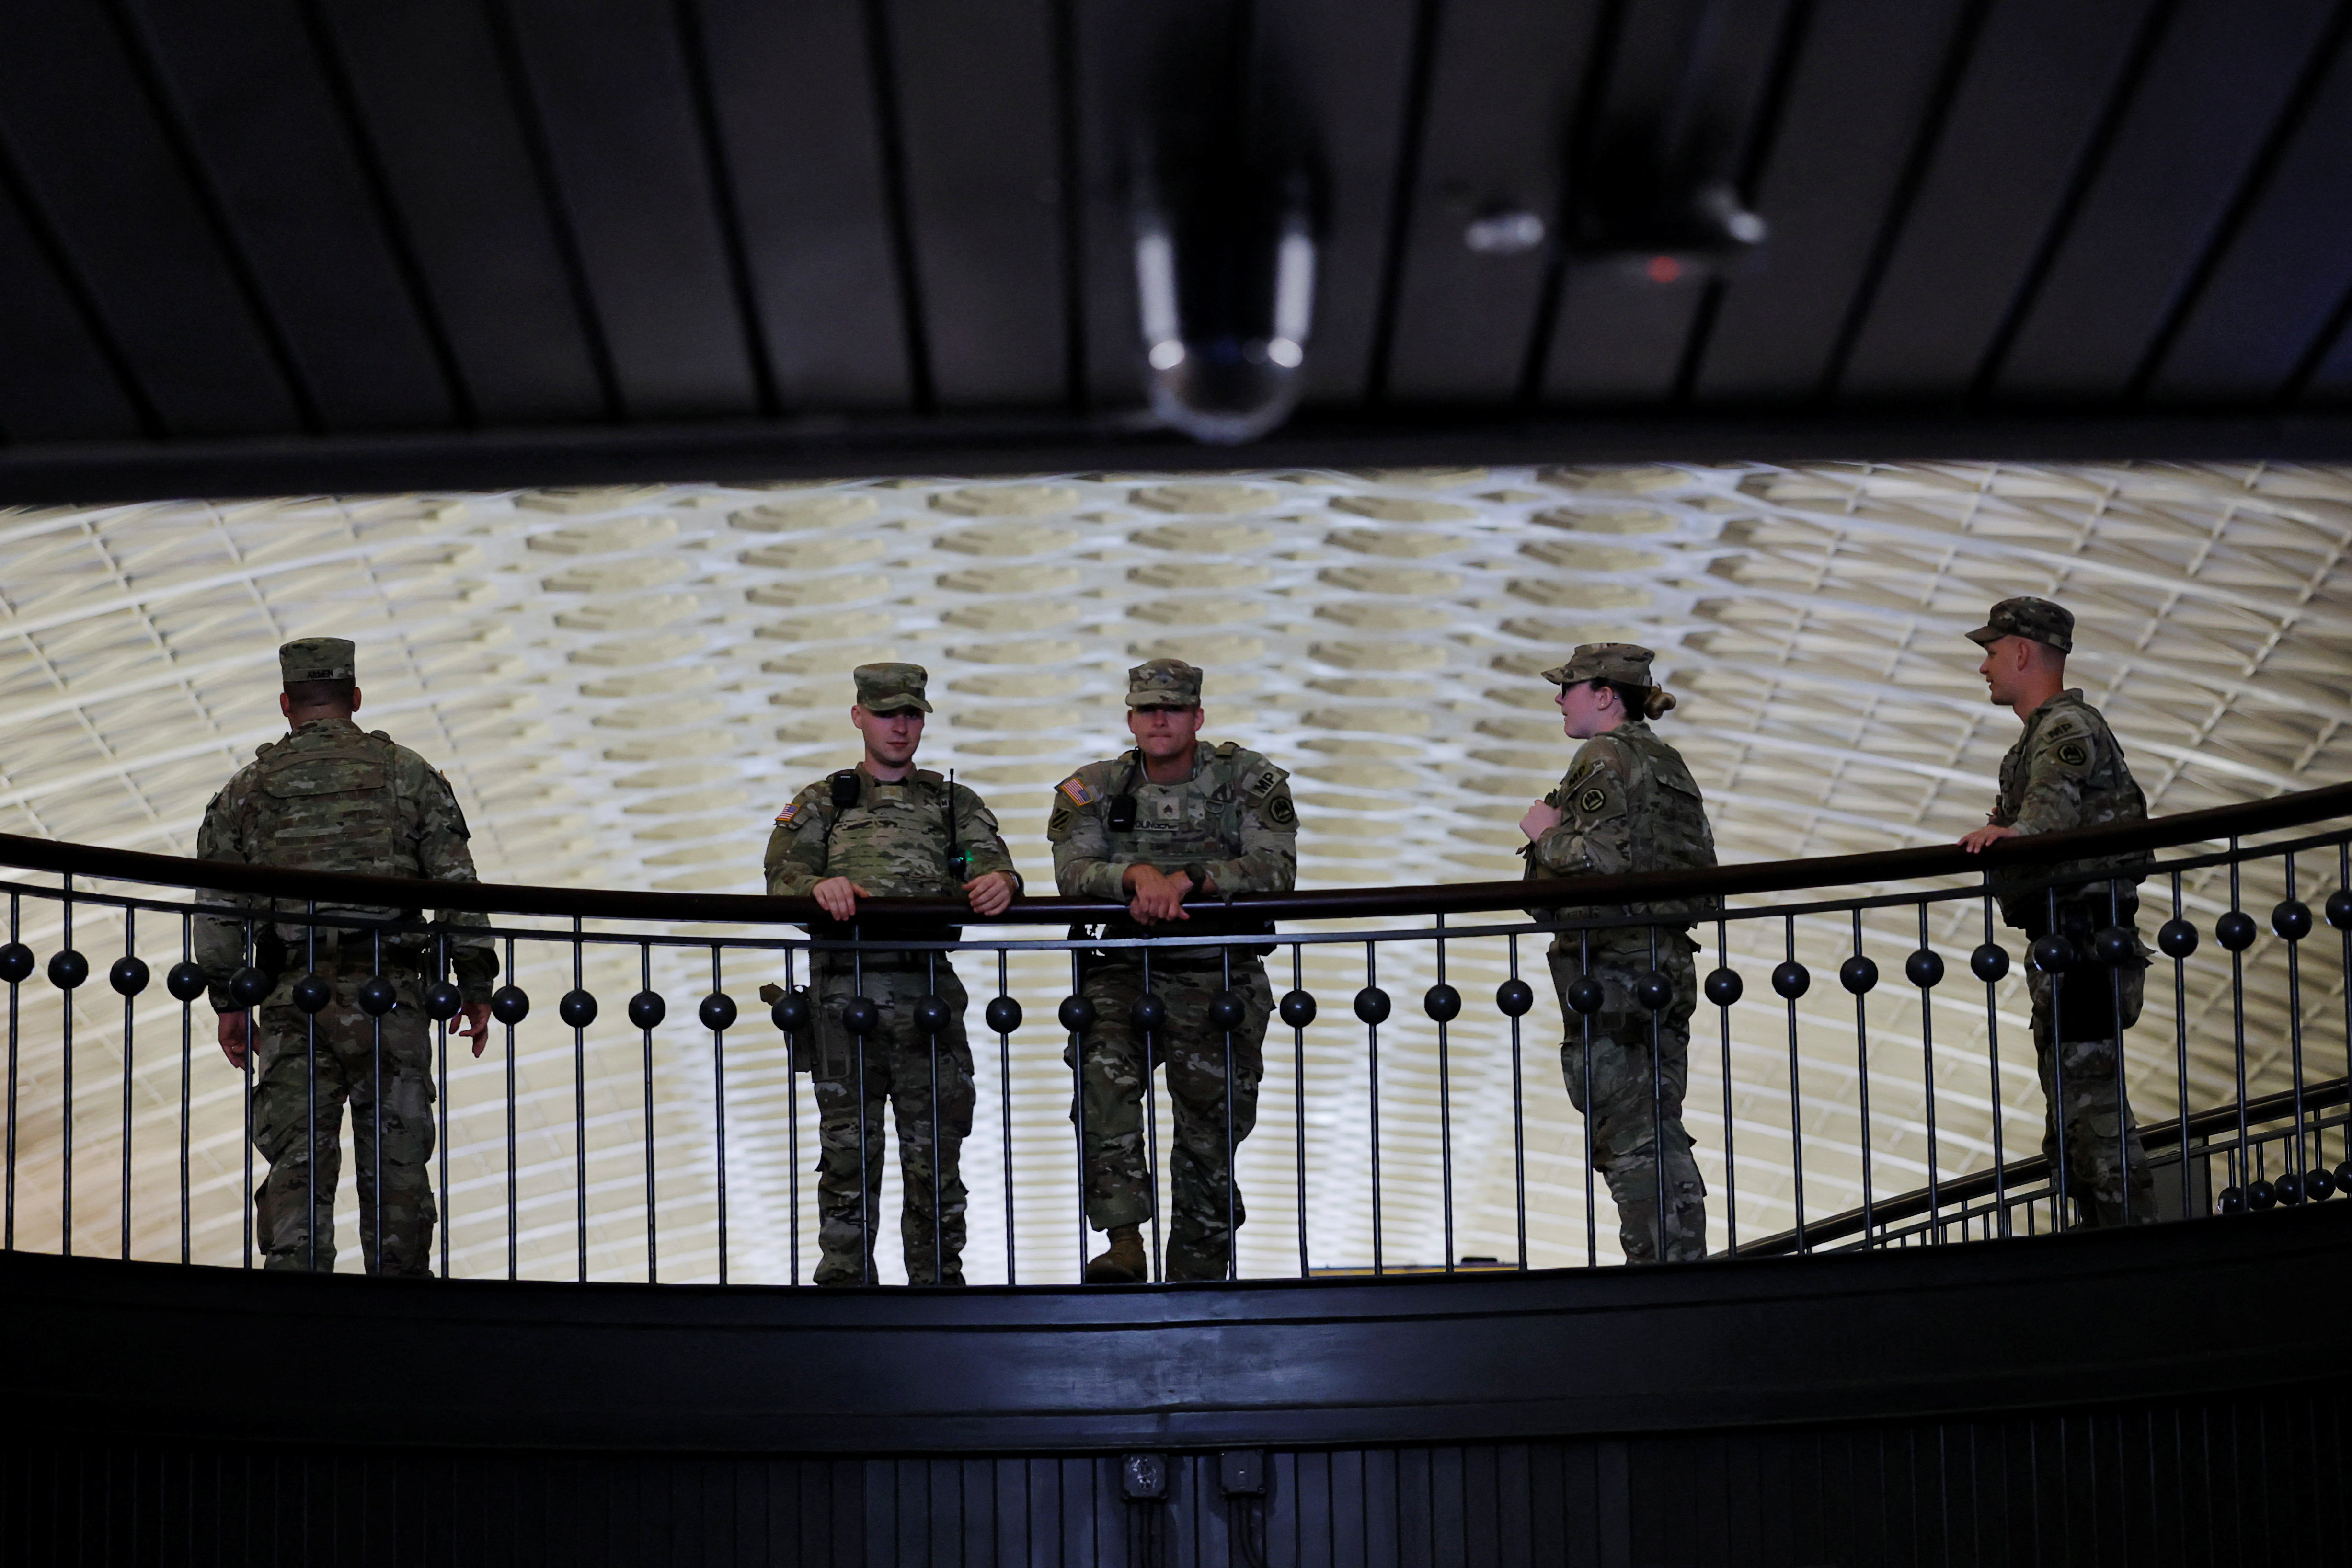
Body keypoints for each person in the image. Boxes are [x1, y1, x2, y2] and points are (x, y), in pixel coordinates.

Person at [195, 638, 495, 1275]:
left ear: (285, 703)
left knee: (296, 1168)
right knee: (398, 1170)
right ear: (355, 698)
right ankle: (401, 1319)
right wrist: (475, 981)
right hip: (391, 998)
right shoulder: (408, 773)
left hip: (292, 1002)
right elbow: (456, 886)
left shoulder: (247, 789)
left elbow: (219, 907)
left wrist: (229, 1000)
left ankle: (299, 1322)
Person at [764, 663, 1020, 1285]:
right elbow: (780, 879)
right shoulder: (825, 800)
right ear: (859, 717)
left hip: (925, 999)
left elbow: (996, 867)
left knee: (935, 1152)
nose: (899, 727)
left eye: (910, 714)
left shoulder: (952, 803)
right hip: (841, 1001)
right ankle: (846, 1281)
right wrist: (818, 886)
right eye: (885, 714)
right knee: (849, 1151)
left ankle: (937, 1282)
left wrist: (1001, 881)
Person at [1049, 658, 1296, 1283]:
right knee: (1101, 1076)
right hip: (1127, 968)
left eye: (1174, 708)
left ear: (1198, 716)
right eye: (1146, 709)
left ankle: (1198, 1275)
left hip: (1219, 973)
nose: (1159, 719)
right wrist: (1135, 877)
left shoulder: (1247, 778)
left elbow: (1274, 867)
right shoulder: (1095, 787)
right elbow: (1072, 871)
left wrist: (1190, 879)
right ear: (1130, 718)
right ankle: (1123, 1239)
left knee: (1210, 1133)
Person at [1959, 596, 2156, 1227]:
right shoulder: (2035, 739)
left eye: (1991, 654)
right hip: (2065, 947)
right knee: (2070, 1116)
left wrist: (2010, 837)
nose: (1984, 668)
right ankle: (2105, 1231)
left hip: (2085, 945)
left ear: (2021, 652)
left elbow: (2042, 820)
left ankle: (2133, 1240)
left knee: (2092, 1113)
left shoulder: (2066, 730)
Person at [1519, 643, 1716, 1264]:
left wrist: (1543, 833)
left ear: (1604, 695)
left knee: (1630, 1135)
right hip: (1662, 962)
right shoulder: (1665, 762)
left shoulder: (1601, 757)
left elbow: (1601, 859)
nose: (1559, 698)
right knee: (1654, 1122)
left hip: (1615, 971)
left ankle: (1662, 1268)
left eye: (1569, 687)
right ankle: (1680, 1254)